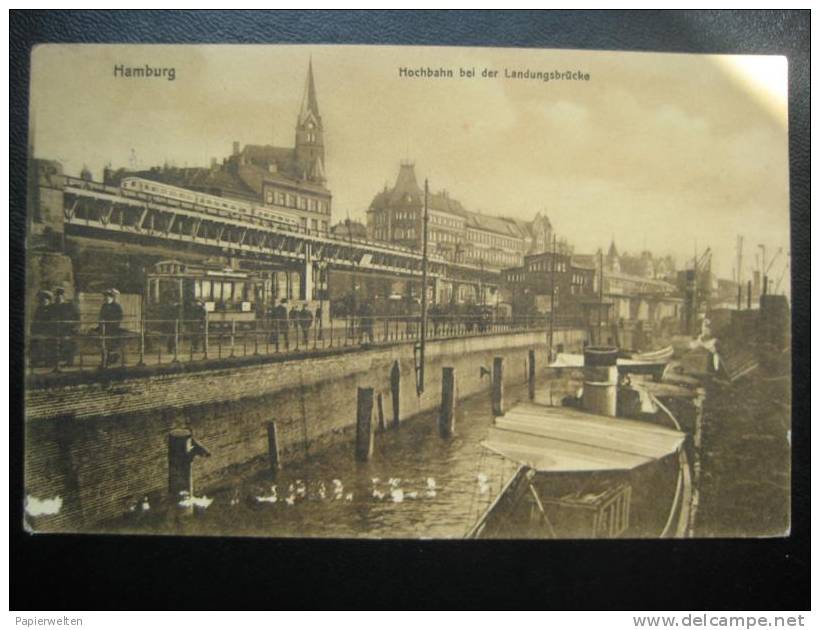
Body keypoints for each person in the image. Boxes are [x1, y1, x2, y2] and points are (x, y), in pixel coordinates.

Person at [53, 287, 80, 366]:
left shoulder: (70, 305)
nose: (59, 297)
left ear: (64, 296)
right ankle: (56, 362)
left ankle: (69, 361)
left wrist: (76, 326)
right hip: (58, 329)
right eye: (57, 295)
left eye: (61, 295)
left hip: (69, 329)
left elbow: (77, 316)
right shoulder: (55, 306)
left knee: (69, 344)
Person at [98, 288, 124, 367]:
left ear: (112, 298)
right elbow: (101, 315)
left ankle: (110, 359)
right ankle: (106, 361)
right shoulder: (104, 306)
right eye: (105, 297)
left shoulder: (116, 306)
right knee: (104, 344)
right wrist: (101, 323)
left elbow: (120, 316)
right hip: (104, 327)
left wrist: (113, 323)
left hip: (113, 328)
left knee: (111, 345)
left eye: (108, 297)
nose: (106, 298)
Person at [30, 289, 55, 367]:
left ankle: (49, 361)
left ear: (49, 300)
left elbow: (52, 321)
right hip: (39, 331)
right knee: (35, 342)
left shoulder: (52, 309)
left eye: (44, 300)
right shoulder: (39, 309)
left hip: (49, 331)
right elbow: (35, 320)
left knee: (50, 344)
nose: (42, 302)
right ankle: (35, 360)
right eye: (41, 300)